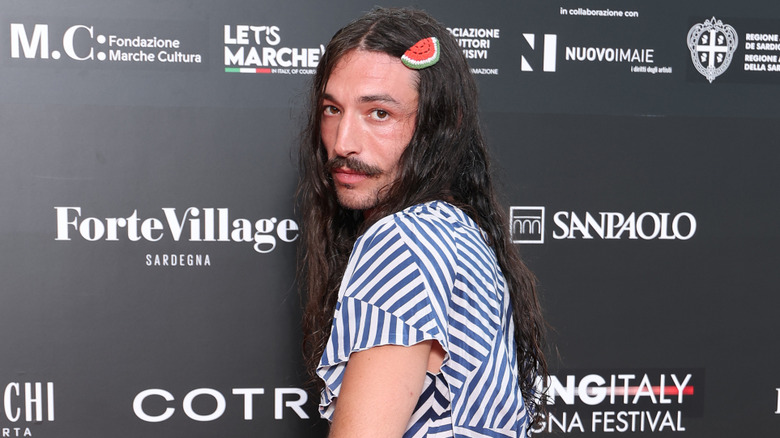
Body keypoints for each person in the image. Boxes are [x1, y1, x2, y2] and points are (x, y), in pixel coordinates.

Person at [297, 7, 548, 437]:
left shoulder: (402, 241)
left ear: (441, 125)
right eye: (332, 109)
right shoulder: (452, 227)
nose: (342, 142)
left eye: (379, 113)